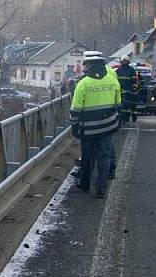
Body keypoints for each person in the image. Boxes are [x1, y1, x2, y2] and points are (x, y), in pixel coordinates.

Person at [69, 54, 121, 197]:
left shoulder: (83, 84)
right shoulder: (112, 80)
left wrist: (74, 126)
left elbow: (75, 109)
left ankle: (85, 184)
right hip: (108, 127)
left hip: (88, 129)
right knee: (104, 157)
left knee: (87, 156)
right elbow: (118, 103)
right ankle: (101, 189)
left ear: (89, 66)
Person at [115, 56, 139, 122]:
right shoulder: (118, 70)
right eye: (123, 61)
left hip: (129, 92)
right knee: (121, 106)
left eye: (125, 61)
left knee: (128, 106)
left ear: (128, 62)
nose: (124, 62)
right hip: (120, 92)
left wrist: (134, 89)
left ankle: (127, 118)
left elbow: (134, 82)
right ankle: (122, 118)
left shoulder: (131, 70)